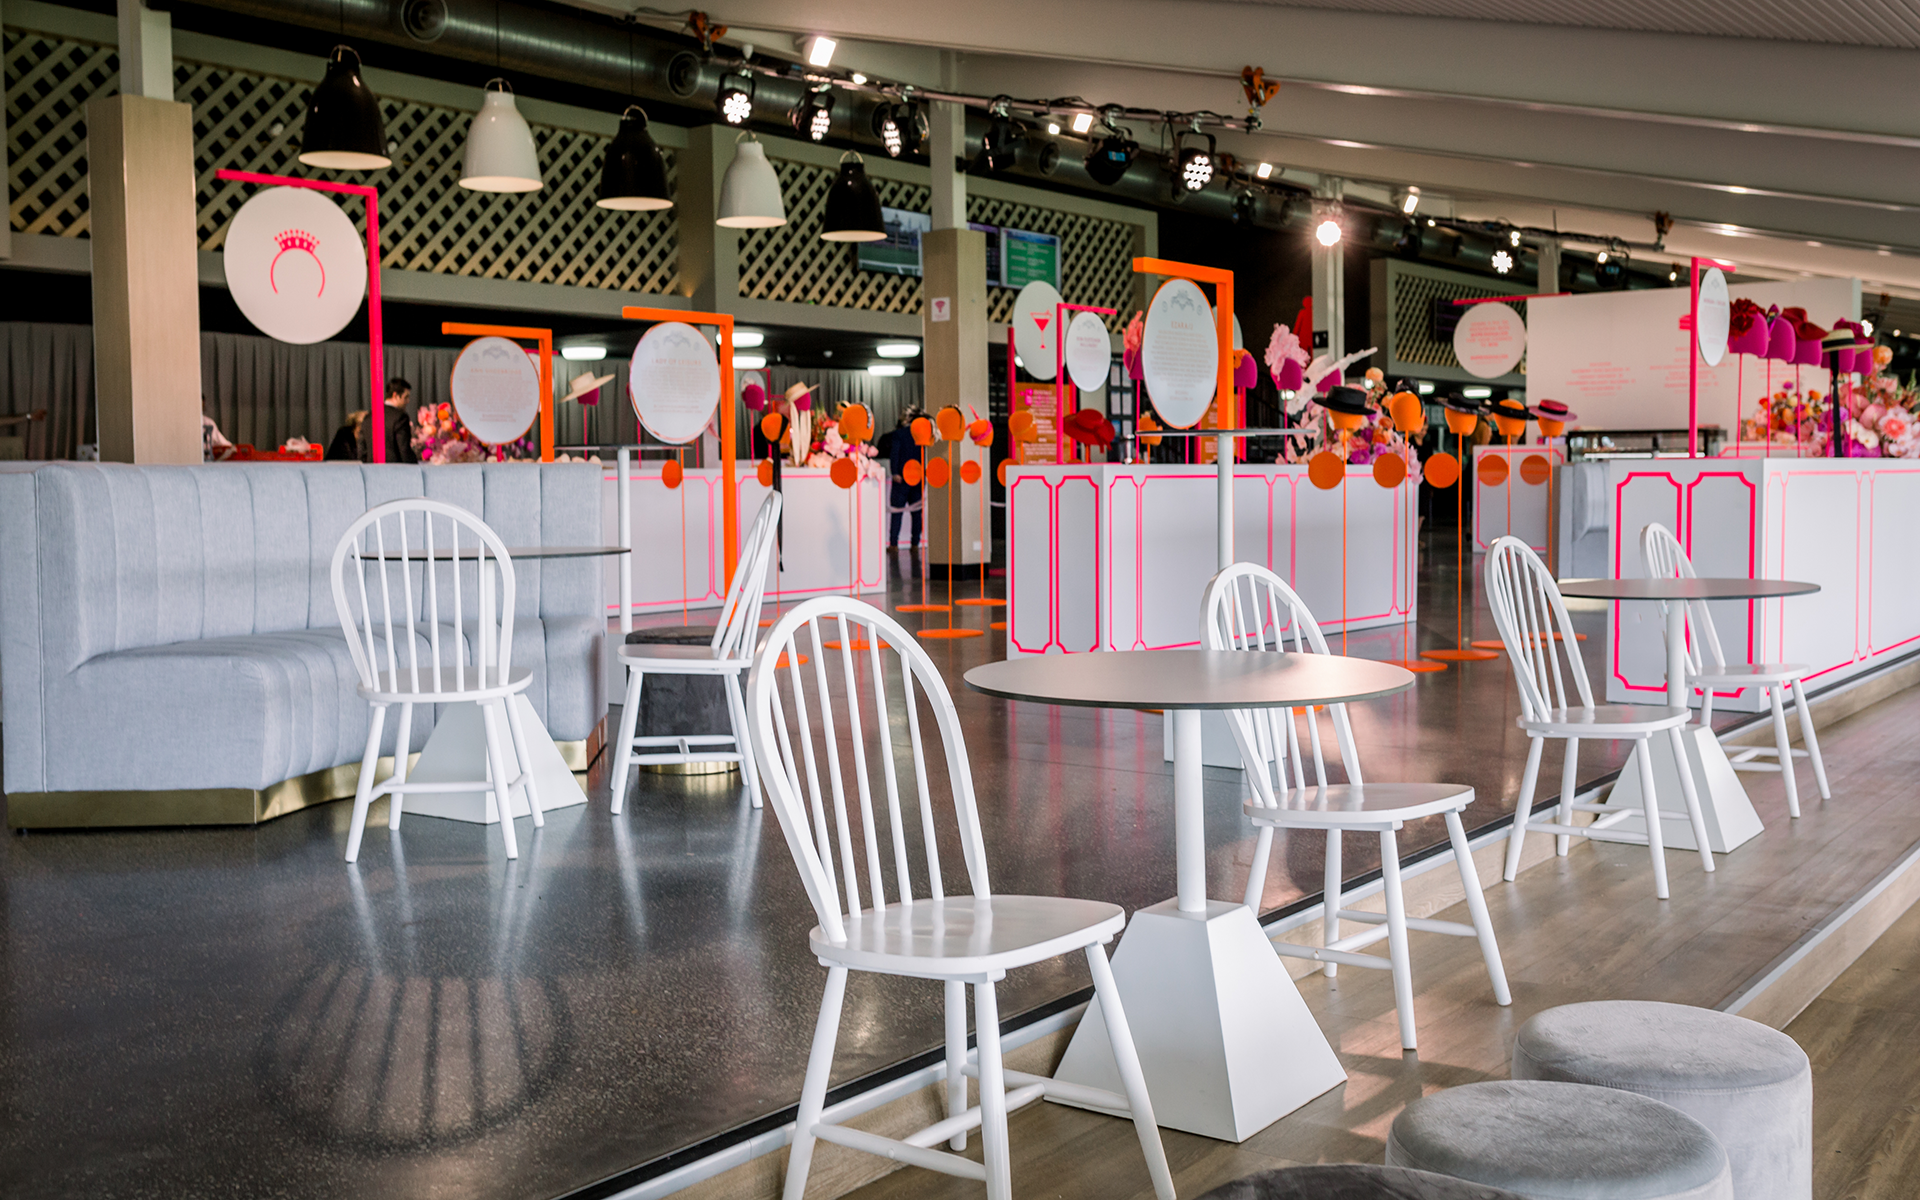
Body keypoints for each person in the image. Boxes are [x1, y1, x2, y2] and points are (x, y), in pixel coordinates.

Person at [886, 405, 925, 550]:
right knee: (917, 513)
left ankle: (893, 544)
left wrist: (895, 472)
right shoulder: (922, 433)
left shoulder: (899, 434)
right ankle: (915, 543)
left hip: (901, 478)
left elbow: (895, 454)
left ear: (908, 418)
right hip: (917, 477)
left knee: (897, 512)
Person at [359, 378, 419, 464]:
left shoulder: (369, 417)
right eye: (406, 397)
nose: (408, 401)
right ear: (395, 395)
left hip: (371, 469)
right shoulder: (400, 417)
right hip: (395, 470)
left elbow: (362, 451)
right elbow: (404, 450)